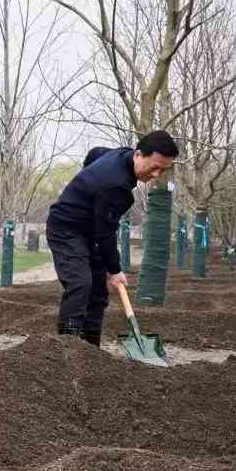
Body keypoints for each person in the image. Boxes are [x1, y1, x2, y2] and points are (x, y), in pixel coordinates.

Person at [46, 130, 179, 346]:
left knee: (98, 292)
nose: (156, 174)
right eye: (154, 166)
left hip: (88, 230)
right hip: (66, 229)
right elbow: (105, 234)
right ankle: (67, 348)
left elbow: (95, 153)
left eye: (162, 170)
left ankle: (90, 349)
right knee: (80, 284)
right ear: (138, 154)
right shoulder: (116, 186)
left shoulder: (122, 155)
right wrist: (115, 270)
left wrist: (88, 179)